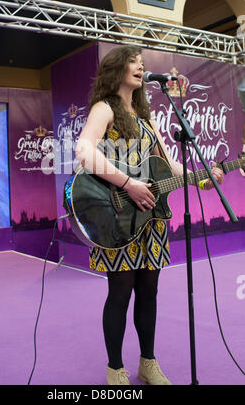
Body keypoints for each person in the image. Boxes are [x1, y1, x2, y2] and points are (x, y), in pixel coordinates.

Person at [75, 45, 224, 386]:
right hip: (117, 215)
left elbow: (168, 164)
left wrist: (200, 177)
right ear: (117, 69)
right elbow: (84, 150)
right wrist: (128, 183)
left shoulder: (146, 115)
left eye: (143, 63)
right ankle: (115, 369)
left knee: (149, 290)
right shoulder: (105, 108)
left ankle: (148, 363)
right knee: (120, 292)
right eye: (134, 62)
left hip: (152, 217)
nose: (141, 67)